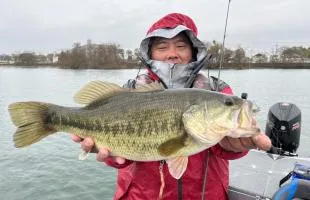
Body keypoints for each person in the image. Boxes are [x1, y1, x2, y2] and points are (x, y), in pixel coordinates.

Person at [72, 13, 271, 200]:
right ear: (150, 53)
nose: (172, 54)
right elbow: (120, 152)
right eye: (162, 47)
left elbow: (228, 142)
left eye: (181, 46)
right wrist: (113, 156)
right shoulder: (130, 91)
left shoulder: (216, 90)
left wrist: (235, 147)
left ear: (193, 51)